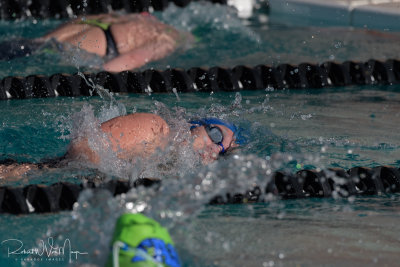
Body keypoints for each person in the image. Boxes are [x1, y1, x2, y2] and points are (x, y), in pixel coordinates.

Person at [0, 113, 243, 180]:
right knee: (37, 169)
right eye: (215, 134)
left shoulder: (172, 163)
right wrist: (105, 175)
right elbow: (84, 146)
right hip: (57, 169)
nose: (214, 147)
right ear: (197, 125)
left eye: (221, 150)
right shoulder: (156, 128)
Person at [0, 13, 192, 72]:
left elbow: (85, 18)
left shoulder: (138, 18)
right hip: (74, 51)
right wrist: (99, 77)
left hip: (44, 39)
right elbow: (133, 58)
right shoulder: (170, 39)